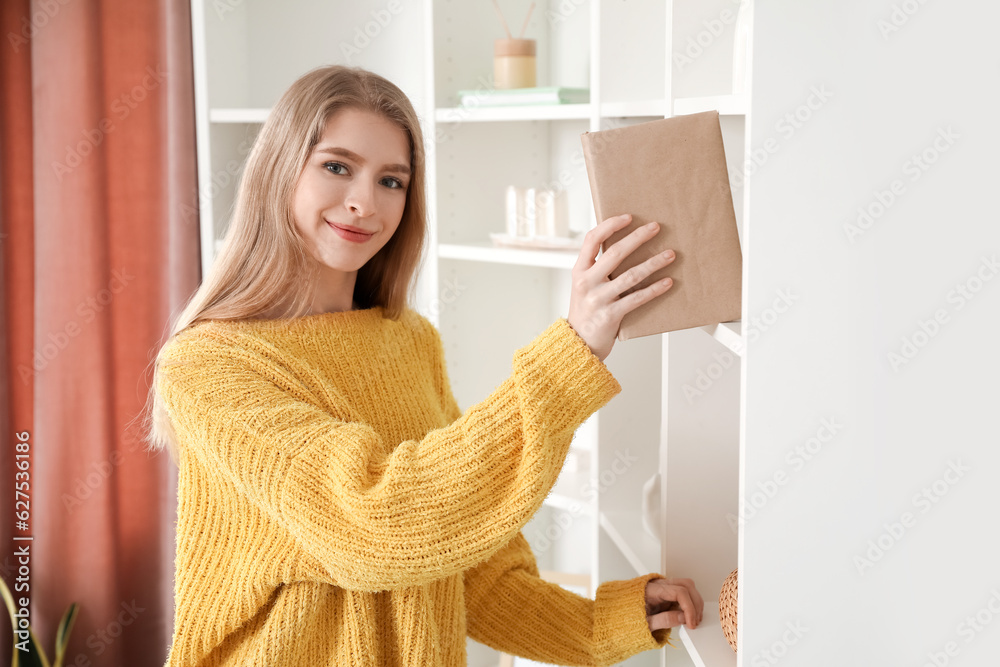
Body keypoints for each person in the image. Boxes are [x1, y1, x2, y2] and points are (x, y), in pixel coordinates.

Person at [144, 64, 703, 666]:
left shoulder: (409, 341)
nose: (363, 202)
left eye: (392, 180)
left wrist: (606, 622)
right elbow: (372, 526)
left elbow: (470, 567)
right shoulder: (207, 366)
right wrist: (572, 354)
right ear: (280, 170)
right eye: (337, 167)